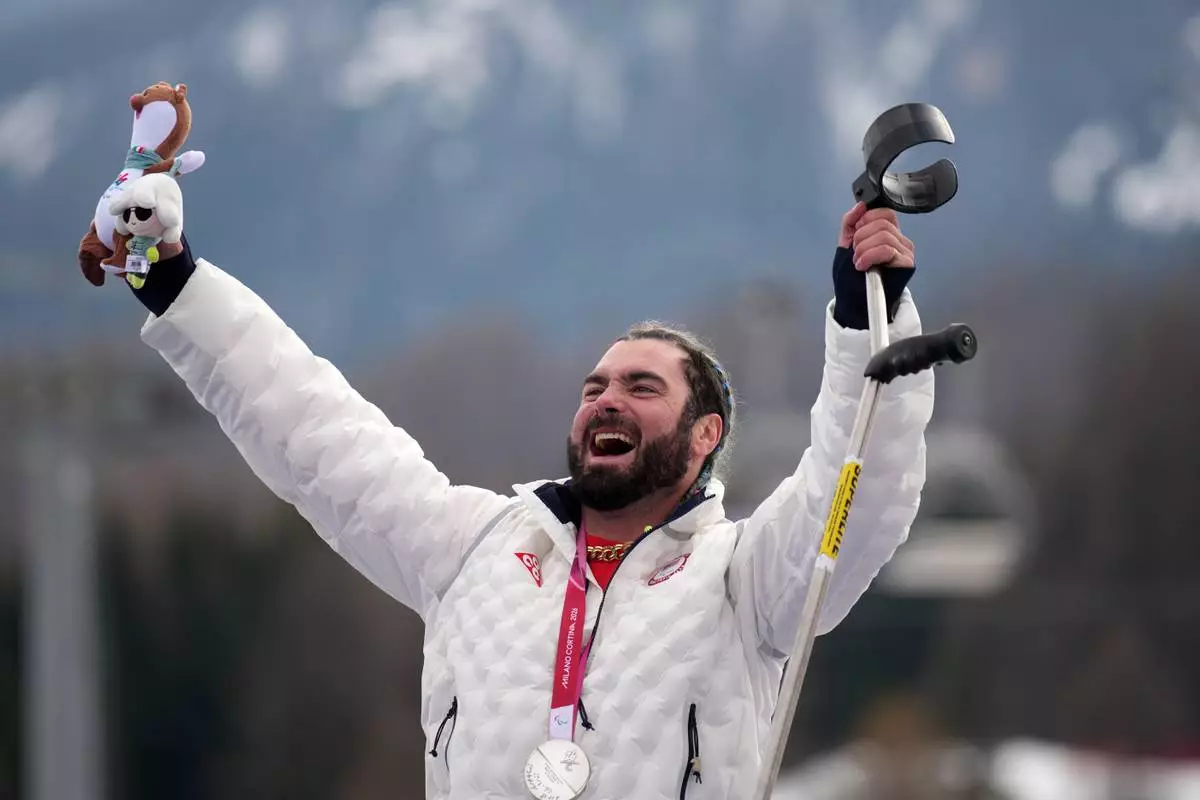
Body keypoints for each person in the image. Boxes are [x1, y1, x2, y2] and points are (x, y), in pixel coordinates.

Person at [89, 193, 934, 799]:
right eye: (595, 384)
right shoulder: (475, 546)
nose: (606, 399)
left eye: (642, 387)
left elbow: (857, 489)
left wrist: (870, 317)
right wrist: (175, 282)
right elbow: (314, 435)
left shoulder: (746, 579)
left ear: (706, 434)